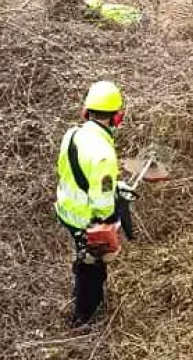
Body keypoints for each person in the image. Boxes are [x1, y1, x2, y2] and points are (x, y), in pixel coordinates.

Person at [54, 81, 130, 327]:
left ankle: (82, 284)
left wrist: (114, 186)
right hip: (86, 220)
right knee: (93, 268)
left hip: (67, 211)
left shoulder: (72, 135)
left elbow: (73, 173)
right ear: (117, 117)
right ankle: (85, 316)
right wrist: (110, 220)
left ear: (86, 111)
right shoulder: (104, 153)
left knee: (83, 257)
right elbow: (103, 205)